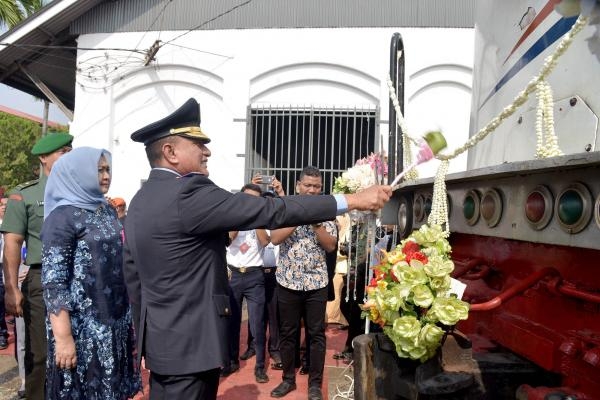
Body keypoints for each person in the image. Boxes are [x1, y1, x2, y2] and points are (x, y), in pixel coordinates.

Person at [122, 98, 391, 400]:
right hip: (192, 348)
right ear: (170, 152)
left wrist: (148, 342)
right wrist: (351, 201)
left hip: (163, 347)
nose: (207, 151)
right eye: (197, 143)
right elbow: (271, 211)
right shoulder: (188, 192)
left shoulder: (140, 200)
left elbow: (135, 281)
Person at [41, 147, 141, 399]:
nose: (106, 175)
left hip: (114, 321)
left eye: (108, 169)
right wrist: (63, 338)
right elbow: (54, 283)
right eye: (99, 170)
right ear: (78, 173)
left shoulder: (105, 209)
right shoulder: (61, 218)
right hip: (82, 330)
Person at [1, 132, 73, 400]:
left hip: (77, 281)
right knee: (41, 356)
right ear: (44, 157)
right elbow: (12, 244)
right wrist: (11, 288)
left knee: (77, 355)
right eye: (63, 151)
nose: (70, 155)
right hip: (41, 281)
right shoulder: (25, 195)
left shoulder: (81, 192)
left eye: (70, 150)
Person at [269, 165, 338, 400]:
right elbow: (275, 239)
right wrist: (299, 216)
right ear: (298, 185)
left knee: (316, 334)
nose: (311, 190)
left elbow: (330, 246)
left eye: (316, 186)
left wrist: (315, 223)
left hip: (316, 283)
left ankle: (315, 385)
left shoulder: (327, 211)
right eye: (307, 185)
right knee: (287, 334)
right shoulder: (285, 207)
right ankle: (287, 380)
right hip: (287, 282)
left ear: (321, 188)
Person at [222, 183, 271, 383]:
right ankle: (231, 361)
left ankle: (260, 366)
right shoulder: (230, 217)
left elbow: (265, 241)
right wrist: (239, 216)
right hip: (234, 276)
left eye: (254, 200)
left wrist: (256, 216)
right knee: (232, 323)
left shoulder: (262, 219)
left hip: (255, 276)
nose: (249, 203)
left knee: (258, 324)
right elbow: (228, 239)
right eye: (246, 198)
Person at [0, 196, 10, 350]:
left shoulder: (16, 224)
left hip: (12, 266)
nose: (3, 207)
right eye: (1, 205)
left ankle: (2, 333)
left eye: (6, 205)